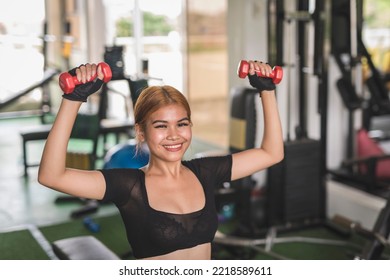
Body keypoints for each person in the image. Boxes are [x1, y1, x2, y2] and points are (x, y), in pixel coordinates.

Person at [38, 61, 284, 260]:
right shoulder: (129, 186)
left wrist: (267, 91)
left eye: (182, 124)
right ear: (141, 132)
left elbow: (272, 153)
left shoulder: (205, 171)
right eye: (161, 126)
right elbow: (51, 175)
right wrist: (73, 99)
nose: (174, 135)